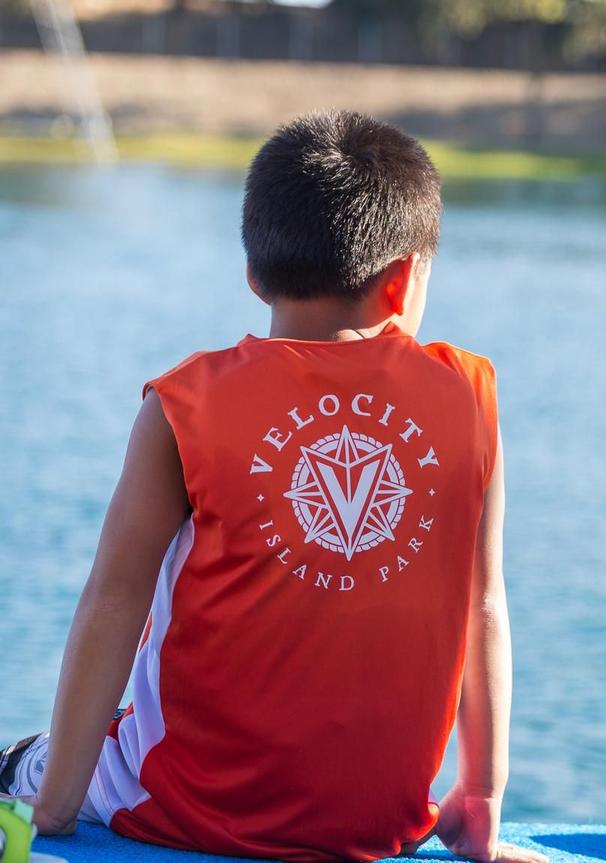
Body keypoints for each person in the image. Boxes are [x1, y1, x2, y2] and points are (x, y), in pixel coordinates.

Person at [0, 110, 547, 863]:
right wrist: (479, 798)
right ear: (403, 281)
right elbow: (484, 603)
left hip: (184, 808)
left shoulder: (184, 402)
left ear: (254, 274)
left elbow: (114, 600)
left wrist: (55, 808)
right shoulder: (470, 398)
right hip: (377, 825)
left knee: (17, 762)